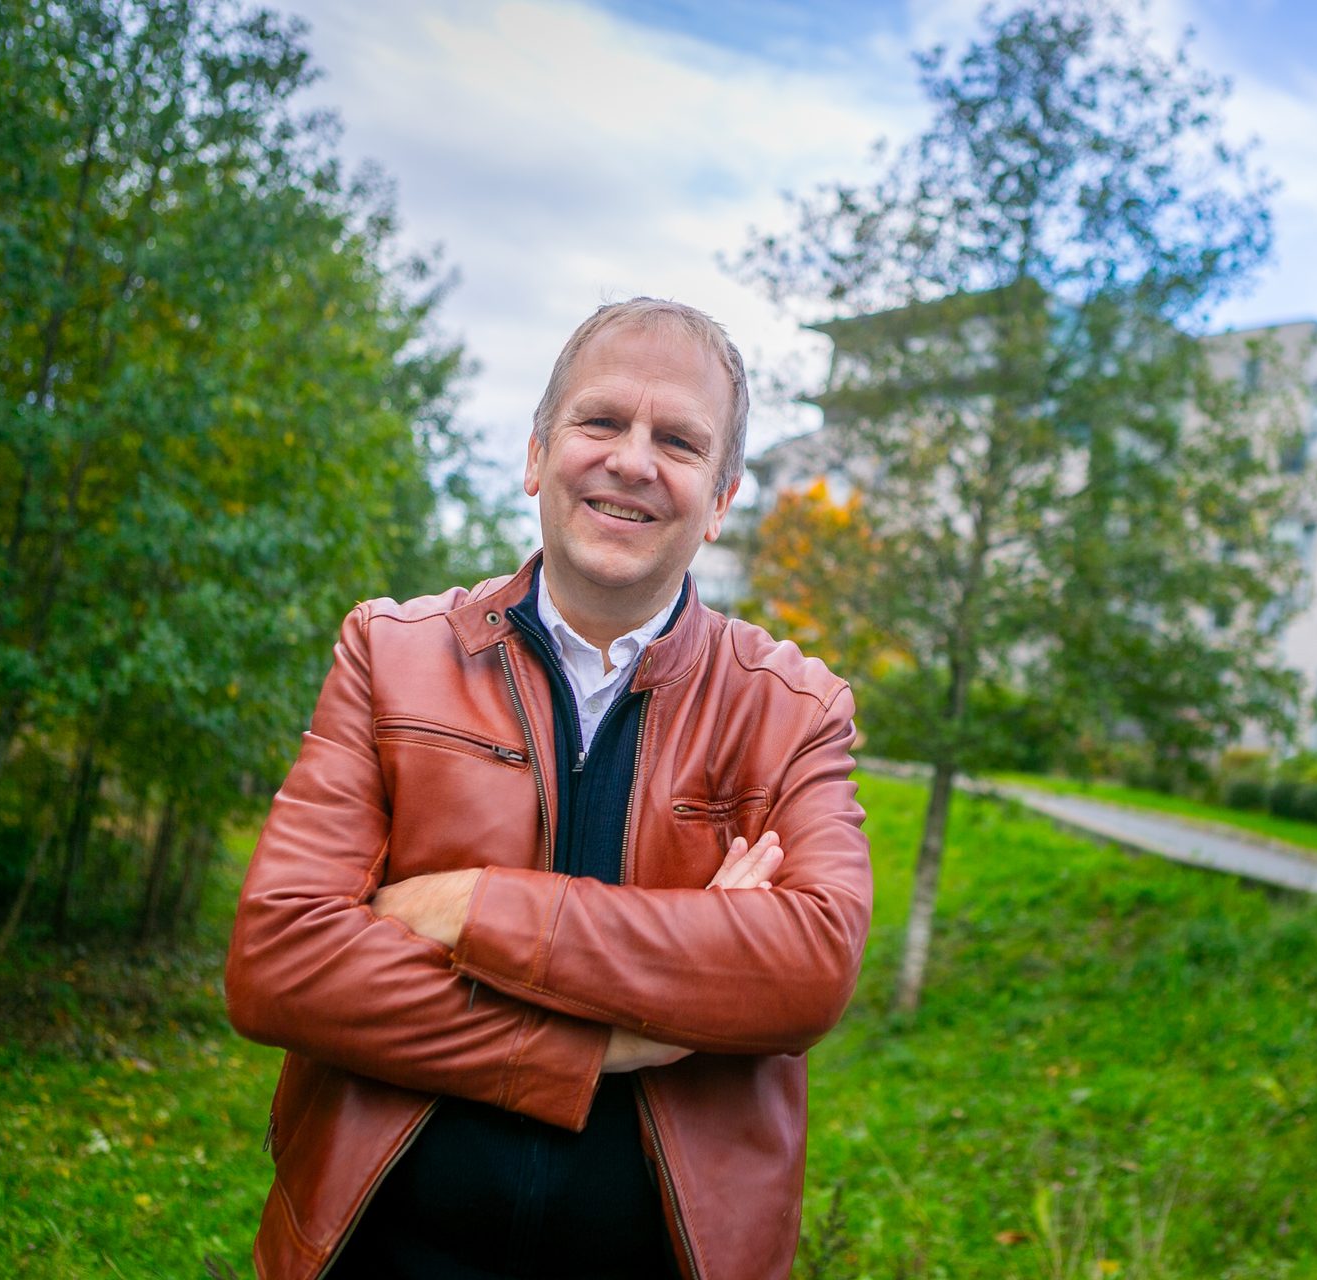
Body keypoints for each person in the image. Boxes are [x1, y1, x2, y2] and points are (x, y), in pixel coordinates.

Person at [225, 297, 871, 1280]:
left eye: (680, 440)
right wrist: (612, 1044)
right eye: (602, 421)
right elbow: (280, 962)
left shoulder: (791, 707)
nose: (633, 460)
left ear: (722, 499)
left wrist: (469, 904)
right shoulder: (390, 653)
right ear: (537, 457)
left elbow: (809, 966)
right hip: (382, 1255)